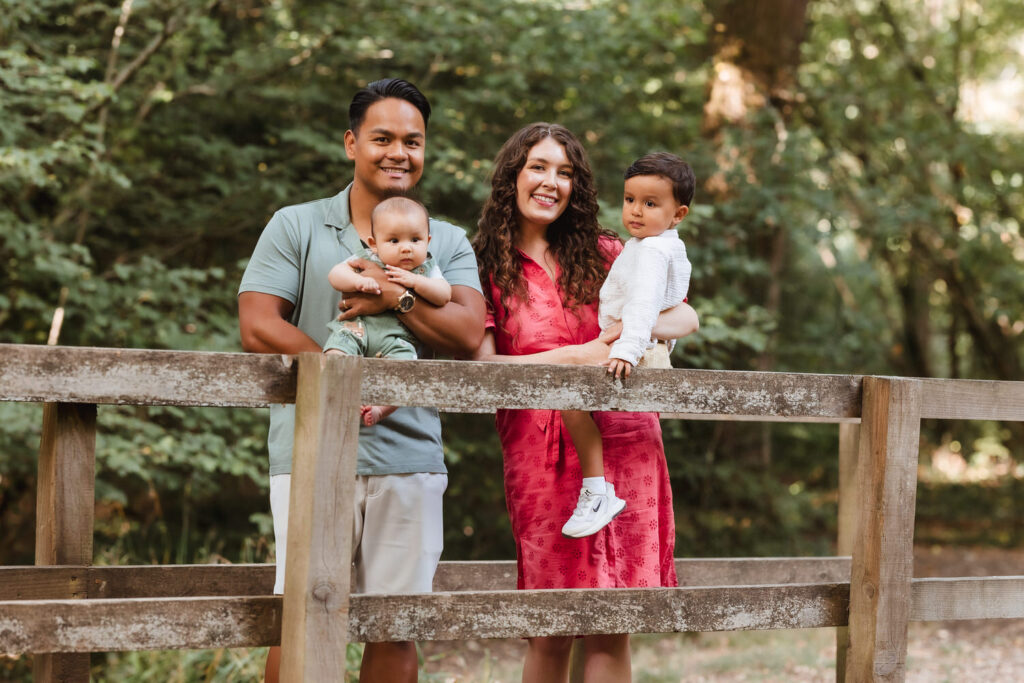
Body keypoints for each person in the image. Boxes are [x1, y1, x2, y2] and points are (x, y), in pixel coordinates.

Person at [238, 78, 485, 683]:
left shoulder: (444, 238)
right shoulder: (297, 225)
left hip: (410, 455)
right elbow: (258, 324)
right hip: (312, 451)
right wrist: (339, 385)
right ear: (352, 144)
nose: (399, 152)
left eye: (413, 141)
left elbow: (468, 331)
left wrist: (395, 301)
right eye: (383, 138)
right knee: (299, 615)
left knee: (397, 625)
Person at [471, 123, 699, 683]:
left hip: (624, 440)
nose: (552, 182)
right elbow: (482, 370)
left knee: (611, 623)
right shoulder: (481, 264)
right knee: (550, 625)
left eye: (565, 172)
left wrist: (626, 336)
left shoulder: (610, 250)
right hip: (539, 452)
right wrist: (582, 354)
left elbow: (686, 316)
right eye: (538, 167)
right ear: (512, 177)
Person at [559, 152, 694, 539]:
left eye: (650, 204)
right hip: (646, 346)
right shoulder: (656, 244)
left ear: (678, 214)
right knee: (570, 394)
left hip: (637, 349)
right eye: (630, 199)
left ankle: (597, 490)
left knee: (567, 390)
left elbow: (644, 306)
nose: (635, 211)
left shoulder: (651, 251)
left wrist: (625, 351)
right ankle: (598, 489)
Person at [324, 195, 452, 426]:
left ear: (428, 240)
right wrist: (357, 283)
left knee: (407, 372)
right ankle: (341, 397)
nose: (406, 248)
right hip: (358, 328)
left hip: (398, 340)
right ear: (374, 243)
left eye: (415, 240)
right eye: (394, 241)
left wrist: (415, 282)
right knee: (336, 353)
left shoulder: (427, 269)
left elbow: (444, 294)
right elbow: (335, 274)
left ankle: (381, 408)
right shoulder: (367, 258)